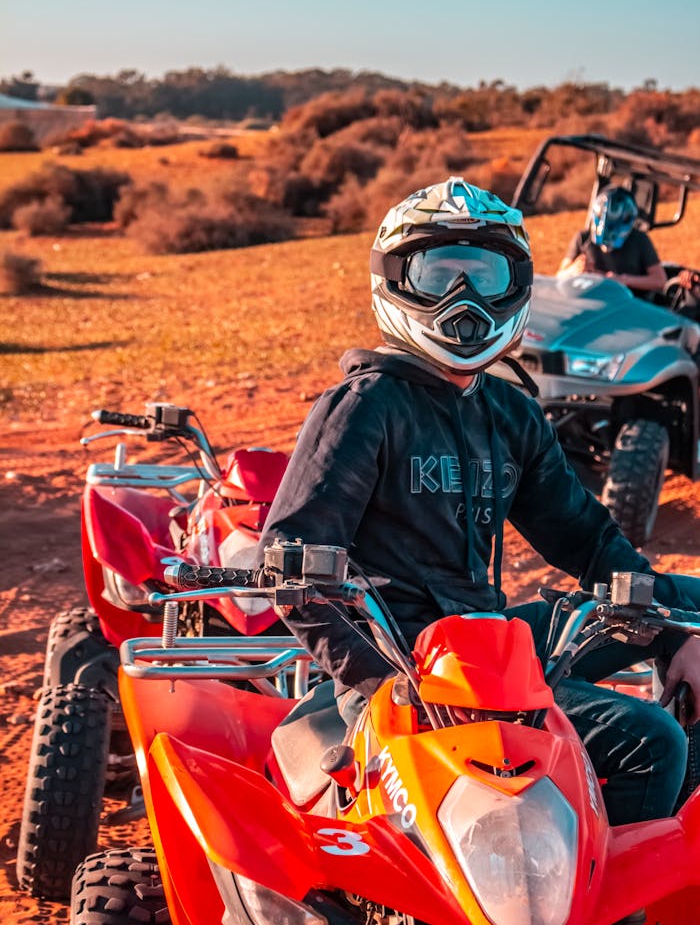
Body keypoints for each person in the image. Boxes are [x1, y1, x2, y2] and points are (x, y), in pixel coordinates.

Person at [258, 176, 700, 827]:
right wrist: (383, 682)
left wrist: (674, 633)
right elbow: (290, 566)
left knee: (690, 602)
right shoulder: (365, 407)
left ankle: (621, 853)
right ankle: (595, 918)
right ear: (398, 279)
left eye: (482, 276)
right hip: (403, 658)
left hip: (490, 648)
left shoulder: (510, 413)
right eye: (441, 274)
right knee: (648, 740)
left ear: (515, 283)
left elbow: (589, 543)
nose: (464, 298)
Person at [558, 184, 667, 296]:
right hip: (590, 300)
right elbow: (559, 276)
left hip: (628, 305)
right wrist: (573, 270)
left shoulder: (639, 240)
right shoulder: (582, 238)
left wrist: (623, 280)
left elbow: (659, 280)